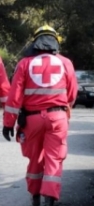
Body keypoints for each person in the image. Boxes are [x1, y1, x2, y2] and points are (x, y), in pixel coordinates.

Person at [2, 25, 78, 206]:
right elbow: (72, 94)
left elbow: (14, 98)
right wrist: (63, 110)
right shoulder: (66, 62)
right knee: (54, 158)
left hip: (31, 120)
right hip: (57, 118)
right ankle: (49, 199)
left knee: (35, 159)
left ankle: (35, 197)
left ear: (35, 42)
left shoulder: (24, 64)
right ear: (55, 41)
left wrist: (8, 124)